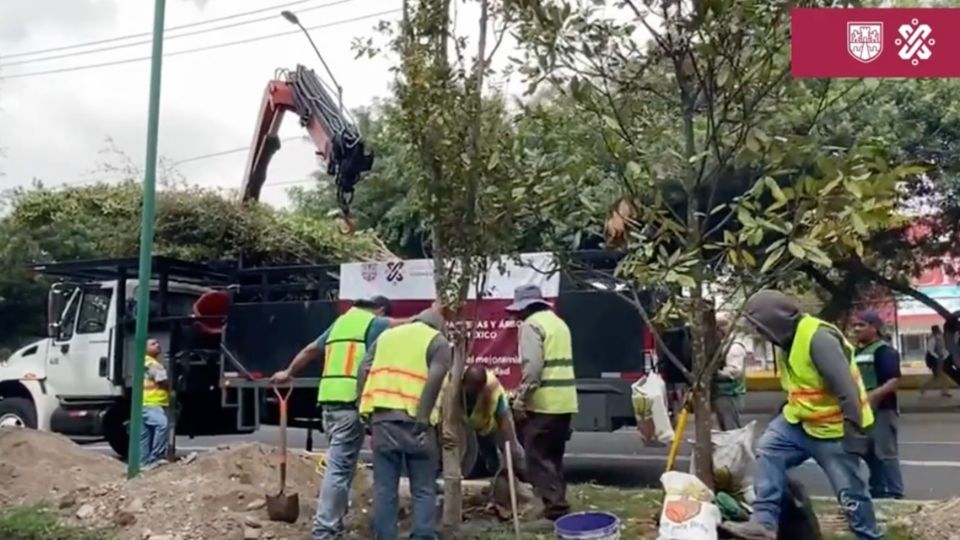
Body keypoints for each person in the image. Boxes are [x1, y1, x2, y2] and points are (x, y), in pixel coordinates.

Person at [724, 290, 881, 540]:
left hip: (835, 430)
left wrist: (854, 434)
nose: (760, 334)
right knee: (768, 450)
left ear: (774, 322)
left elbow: (846, 389)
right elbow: (804, 385)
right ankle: (764, 522)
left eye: (760, 328)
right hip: (800, 423)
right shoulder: (787, 341)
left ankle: (869, 537)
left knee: (850, 494)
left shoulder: (818, 338)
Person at [269, 296, 402, 540]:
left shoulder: (341, 322)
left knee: (343, 467)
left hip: (328, 404)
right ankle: (325, 530)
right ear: (380, 310)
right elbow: (406, 324)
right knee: (339, 469)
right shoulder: (374, 323)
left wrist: (288, 372)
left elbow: (311, 349)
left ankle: (335, 525)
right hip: (349, 405)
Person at [356, 302, 452, 540]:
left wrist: (363, 408)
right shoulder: (437, 341)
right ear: (438, 325)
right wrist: (422, 417)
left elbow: (363, 369)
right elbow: (436, 378)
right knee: (423, 488)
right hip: (417, 425)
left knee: (385, 489)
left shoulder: (387, 337)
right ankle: (422, 535)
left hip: (383, 421)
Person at [508, 284, 578, 521]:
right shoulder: (558, 322)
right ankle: (557, 505)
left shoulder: (532, 325)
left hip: (545, 403)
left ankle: (556, 511)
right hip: (565, 402)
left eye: (518, 312)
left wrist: (520, 399)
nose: (517, 317)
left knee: (537, 458)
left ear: (525, 308)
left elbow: (534, 368)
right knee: (553, 458)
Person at [851, 311, 905, 500]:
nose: (856, 329)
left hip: (882, 410)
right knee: (869, 454)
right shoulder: (857, 352)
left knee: (886, 454)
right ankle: (878, 492)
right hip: (863, 411)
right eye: (855, 325)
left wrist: (873, 397)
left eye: (861, 325)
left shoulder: (884, 351)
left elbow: (893, 381)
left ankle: (895, 493)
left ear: (874, 328)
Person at [462, 365, 525, 475]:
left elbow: (505, 424)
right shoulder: (454, 385)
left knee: (512, 449)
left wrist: (508, 457)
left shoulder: (493, 389)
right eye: (469, 389)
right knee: (477, 453)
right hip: (470, 426)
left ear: (482, 387)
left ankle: (523, 475)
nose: (472, 393)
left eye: (475, 390)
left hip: (490, 424)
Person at [712, 313, 747, 431]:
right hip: (723, 393)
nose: (719, 328)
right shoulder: (722, 344)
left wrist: (715, 374)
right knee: (725, 427)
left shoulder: (734, 347)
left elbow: (734, 372)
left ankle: (735, 449)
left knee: (731, 428)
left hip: (731, 393)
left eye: (722, 324)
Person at [141, 338, 169, 469]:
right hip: (151, 402)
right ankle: (156, 457)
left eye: (158, 342)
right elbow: (161, 380)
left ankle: (143, 464)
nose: (158, 345)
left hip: (147, 402)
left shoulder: (148, 362)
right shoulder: (151, 363)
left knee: (145, 435)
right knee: (162, 425)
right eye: (153, 344)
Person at [921, 324, 952, 397]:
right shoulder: (933, 338)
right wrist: (938, 357)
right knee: (938, 377)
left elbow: (943, 349)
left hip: (941, 360)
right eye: (938, 329)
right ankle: (923, 387)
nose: (939, 330)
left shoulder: (940, 337)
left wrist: (945, 355)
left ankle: (943, 391)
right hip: (937, 361)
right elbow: (930, 350)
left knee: (940, 377)